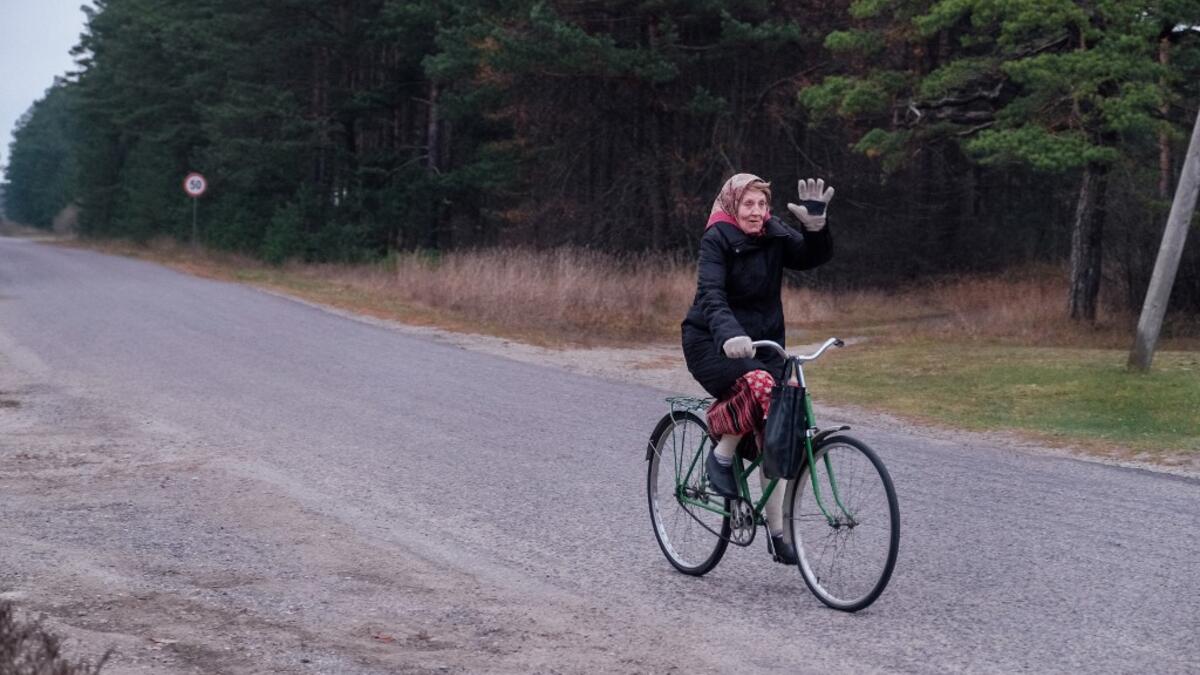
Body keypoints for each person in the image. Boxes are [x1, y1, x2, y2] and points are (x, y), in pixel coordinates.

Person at [681, 172, 834, 564]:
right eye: (748, 204)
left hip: (763, 344)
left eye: (762, 204)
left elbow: (809, 256)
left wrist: (816, 228)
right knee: (760, 384)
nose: (756, 212)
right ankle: (722, 455)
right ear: (733, 204)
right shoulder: (716, 240)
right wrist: (729, 334)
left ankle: (779, 533)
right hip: (712, 342)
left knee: (780, 432)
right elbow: (711, 297)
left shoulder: (773, 234)